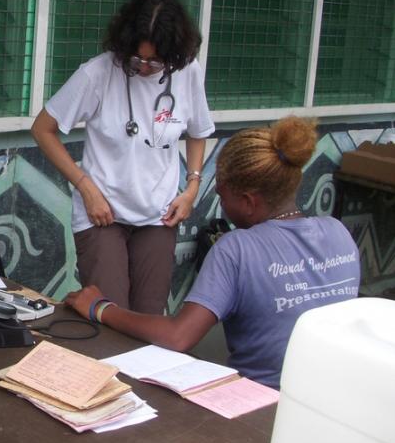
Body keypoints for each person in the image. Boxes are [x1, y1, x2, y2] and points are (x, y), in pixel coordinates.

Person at [65, 116, 361, 389]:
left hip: (262, 406)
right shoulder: (339, 232)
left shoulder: (237, 248)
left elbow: (178, 336)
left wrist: (101, 307)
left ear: (248, 201)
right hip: (331, 394)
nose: (221, 206)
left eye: (221, 195)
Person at [32, 0, 214, 314]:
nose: (144, 67)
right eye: (137, 58)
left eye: (155, 62)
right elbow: (42, 129)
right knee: (109, 316)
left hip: (159, 215)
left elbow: (198, 132)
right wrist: (86, 188)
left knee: (148, 319)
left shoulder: (188, 72)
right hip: (103, 214)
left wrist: (192, 187)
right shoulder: (98, 73)